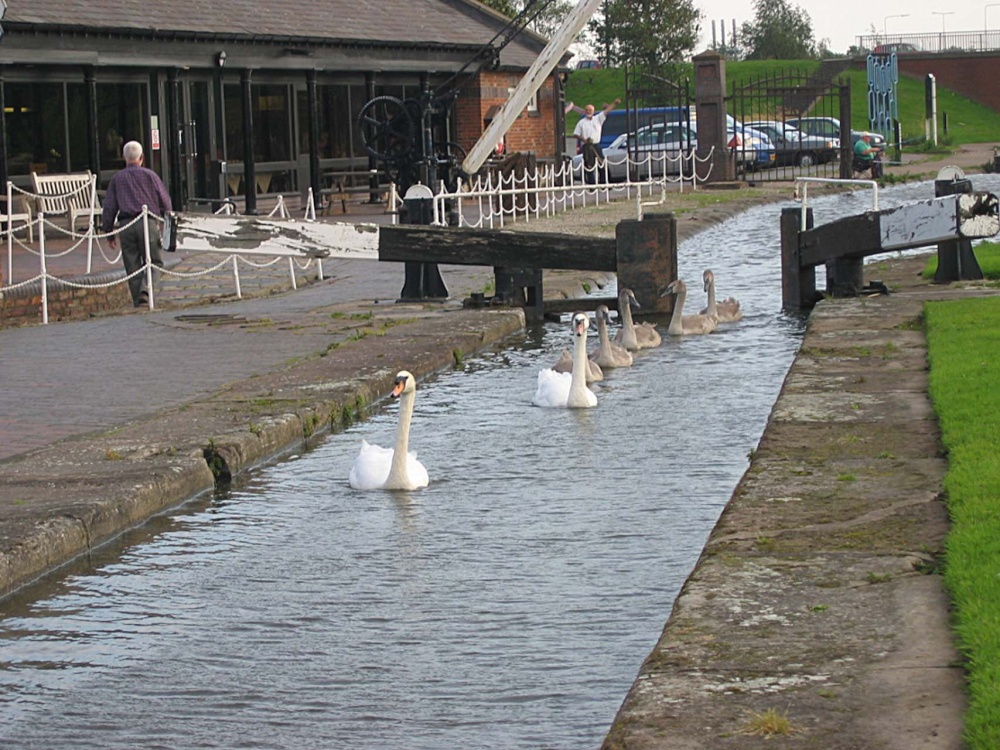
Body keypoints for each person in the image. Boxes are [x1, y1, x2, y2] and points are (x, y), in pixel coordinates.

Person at [102, 140, 173, 307]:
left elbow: (109, 207)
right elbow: (165, 201)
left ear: (123, 157)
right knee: (155, 261)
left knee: (132, 265)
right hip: (147, 222)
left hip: (126, 224)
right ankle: (146, 290)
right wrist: (168, 221)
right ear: (142, 157)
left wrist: (109, 231)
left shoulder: (117, 179)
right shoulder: (150, 176)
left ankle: (138, 300)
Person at [573, 98, 620, 184]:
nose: (588, 111)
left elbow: (607, 111)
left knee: (601, 164)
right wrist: (584, 139)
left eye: (590, 110)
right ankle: (592, 185)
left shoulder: (598, 118)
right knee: (589, 166)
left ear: (593, 111)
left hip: (596, 145)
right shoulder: (581, 122)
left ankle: (603, 184)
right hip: (587, 146)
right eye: (586, 110)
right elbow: (575, 134)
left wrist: (614, 103)